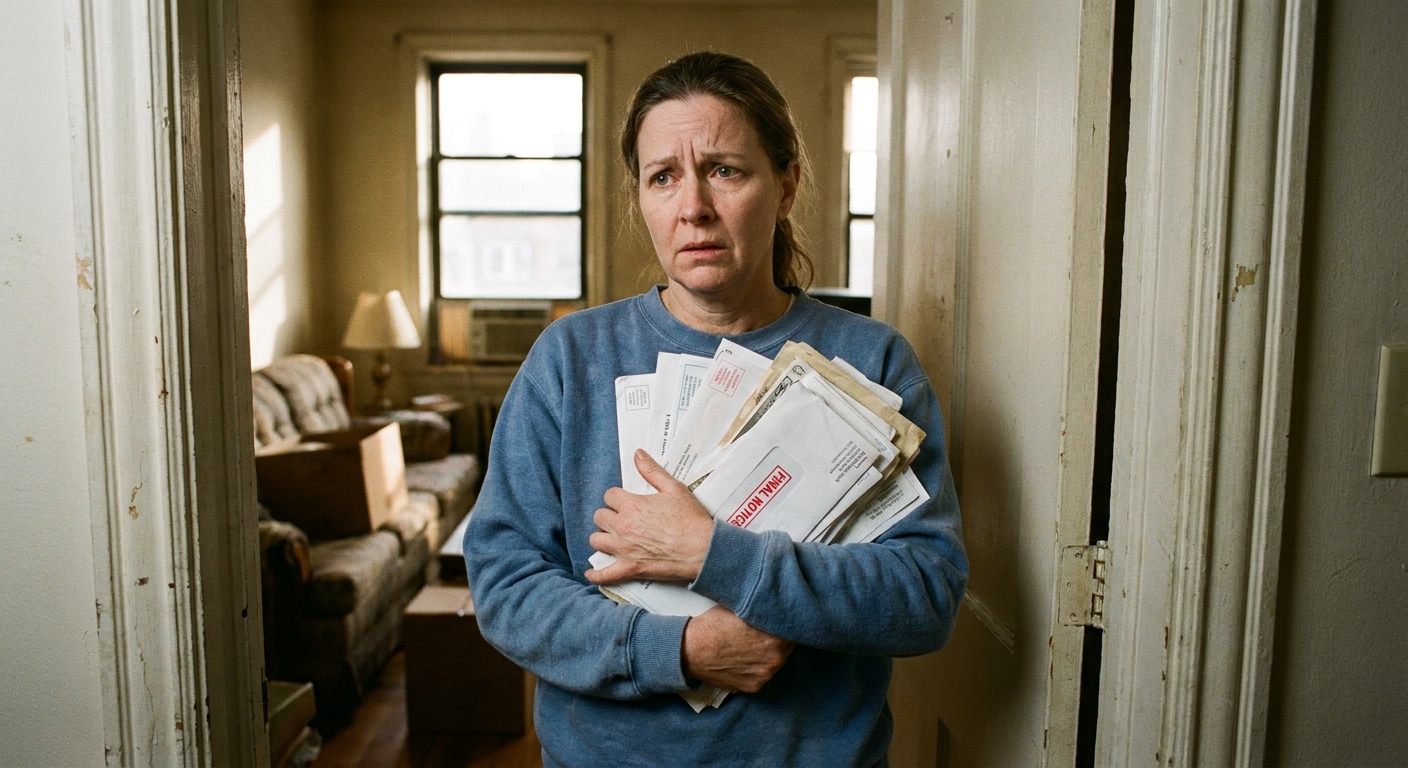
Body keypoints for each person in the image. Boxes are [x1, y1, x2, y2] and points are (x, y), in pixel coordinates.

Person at [464, 51, 968, 767]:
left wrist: (713, 556)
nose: (692, 206)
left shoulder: (874, 362)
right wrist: (681, 649)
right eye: (662, 176)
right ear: (640, 197)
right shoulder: (569, 358)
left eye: (725, 170)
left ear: (787, 185)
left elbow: (925, 595)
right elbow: (506, 586)